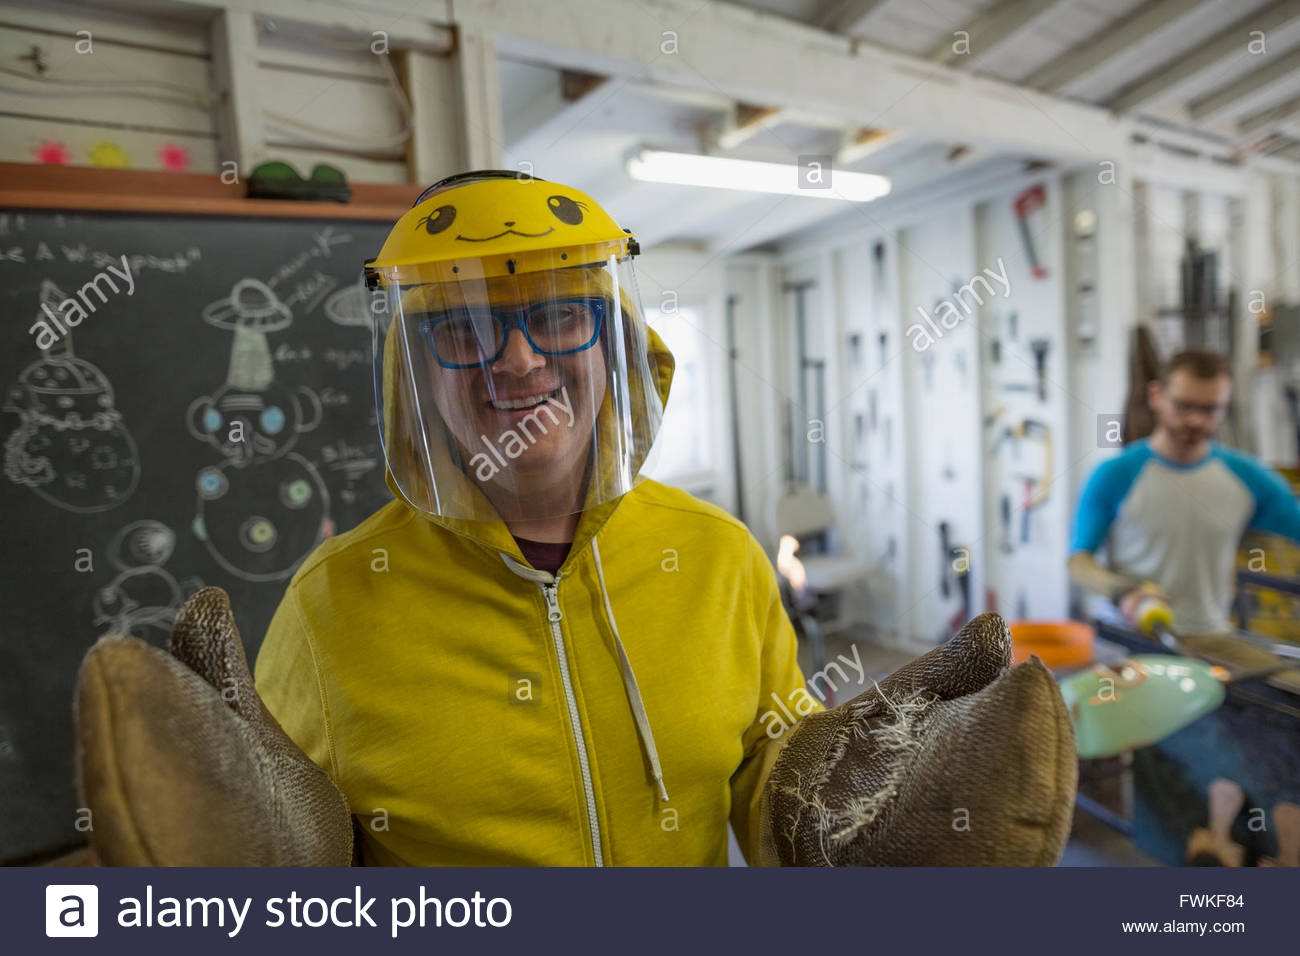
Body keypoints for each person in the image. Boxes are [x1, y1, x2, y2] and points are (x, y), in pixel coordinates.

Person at [235, 171, 1070, 866]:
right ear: (412, 373)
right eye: (463, 328)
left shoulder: (719, 558)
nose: (518, 359)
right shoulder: (334, 604)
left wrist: (855, 818)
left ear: (613, 342)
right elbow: (300, 853)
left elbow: (771, 781)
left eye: (560, 316)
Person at [1069, 348, 1300, 686]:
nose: (1195, 420)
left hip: (1210, 639)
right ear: (1156, 395)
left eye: (1209, 410)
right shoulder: (1115, 474)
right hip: (1130, 640)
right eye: (1184, 406)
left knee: (1288, 698)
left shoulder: (1248, 479)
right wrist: (1123, 591)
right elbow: (1078, 562)